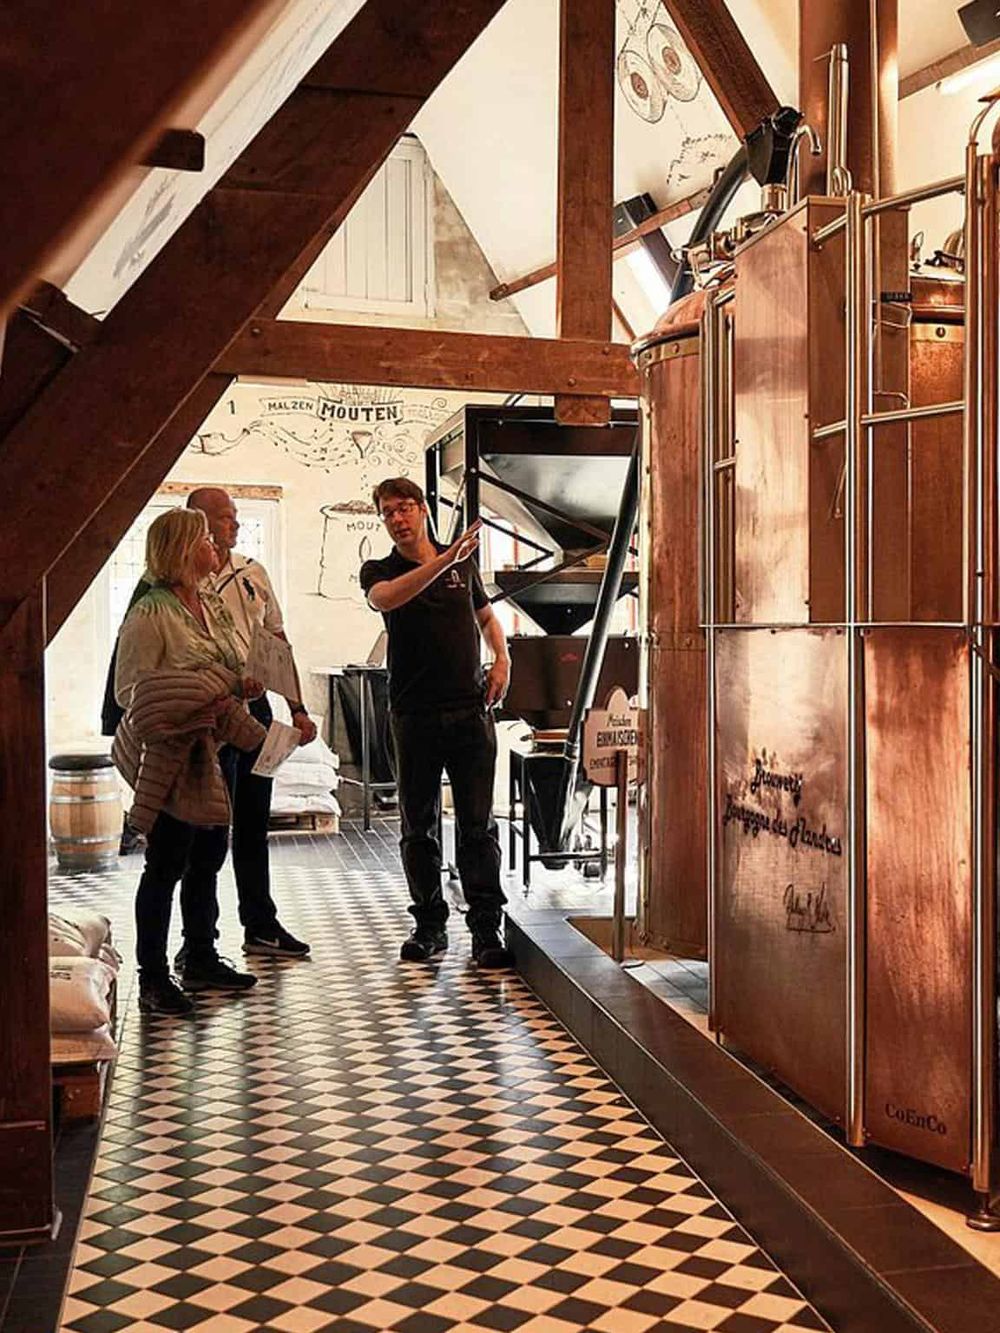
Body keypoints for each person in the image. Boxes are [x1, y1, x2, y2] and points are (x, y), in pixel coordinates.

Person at [360, 477, 514, 968]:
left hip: (470, 711)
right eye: (387, 512)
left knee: (477, 825)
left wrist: (503, 659)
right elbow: (386, 599)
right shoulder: (379, 569)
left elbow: (487, 619)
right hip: (413, 714)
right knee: (418, 825)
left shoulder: (461, 563)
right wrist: (443, 561)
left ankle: (487, 928)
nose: (398, 519)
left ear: (423, 509)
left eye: (404, 508)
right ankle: (429, 926)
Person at [114, 508, 263, 1015]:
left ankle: (199, 953)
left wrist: (242, 683)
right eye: (205, 538)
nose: (214, 546)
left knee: (208, 858)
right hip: (174, 756)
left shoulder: (211, 604)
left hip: (215, 750)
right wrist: (194, 697)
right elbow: (130, 690)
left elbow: (228, 662)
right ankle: (152, 976)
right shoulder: (151, 612)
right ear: (181, 549)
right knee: (165, 864)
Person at [180, 487, 317, 961]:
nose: (233, 525)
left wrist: (296, 708)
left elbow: (277, 643)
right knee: (208, 831)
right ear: (198, 522)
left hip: (254, 715)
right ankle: (198, 944)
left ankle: (260, 923)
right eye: (224, 517)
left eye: (236, 516)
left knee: (254, 825)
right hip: (208, 716)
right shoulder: (183, 579)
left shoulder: (251, 573)